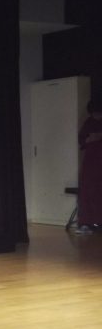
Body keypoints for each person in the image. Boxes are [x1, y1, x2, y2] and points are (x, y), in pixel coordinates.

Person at [76, 99, 102, 234]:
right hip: (90, 160)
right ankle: (86, 222)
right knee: (87, 190)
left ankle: (99, 221)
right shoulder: (88, 123)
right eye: (94, 113)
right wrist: (89, 139)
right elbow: (81, 140)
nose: (97, 116)